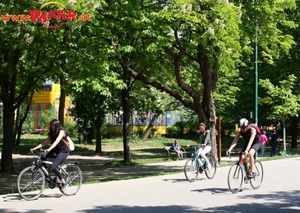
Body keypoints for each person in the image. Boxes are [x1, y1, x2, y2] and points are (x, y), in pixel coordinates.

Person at [30, 119, 70, 190]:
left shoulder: (62, 132)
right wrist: (34, 148)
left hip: (63, 151)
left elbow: (57, 141)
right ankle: (47, 176)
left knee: (54, 166)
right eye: (51, 125)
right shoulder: (52, 133)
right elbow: (44, 143)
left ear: (57, 125)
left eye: (53, 125)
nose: (52, 127)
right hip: (56, 151)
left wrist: (49, 149)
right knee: (42, 155)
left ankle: (64, 183)